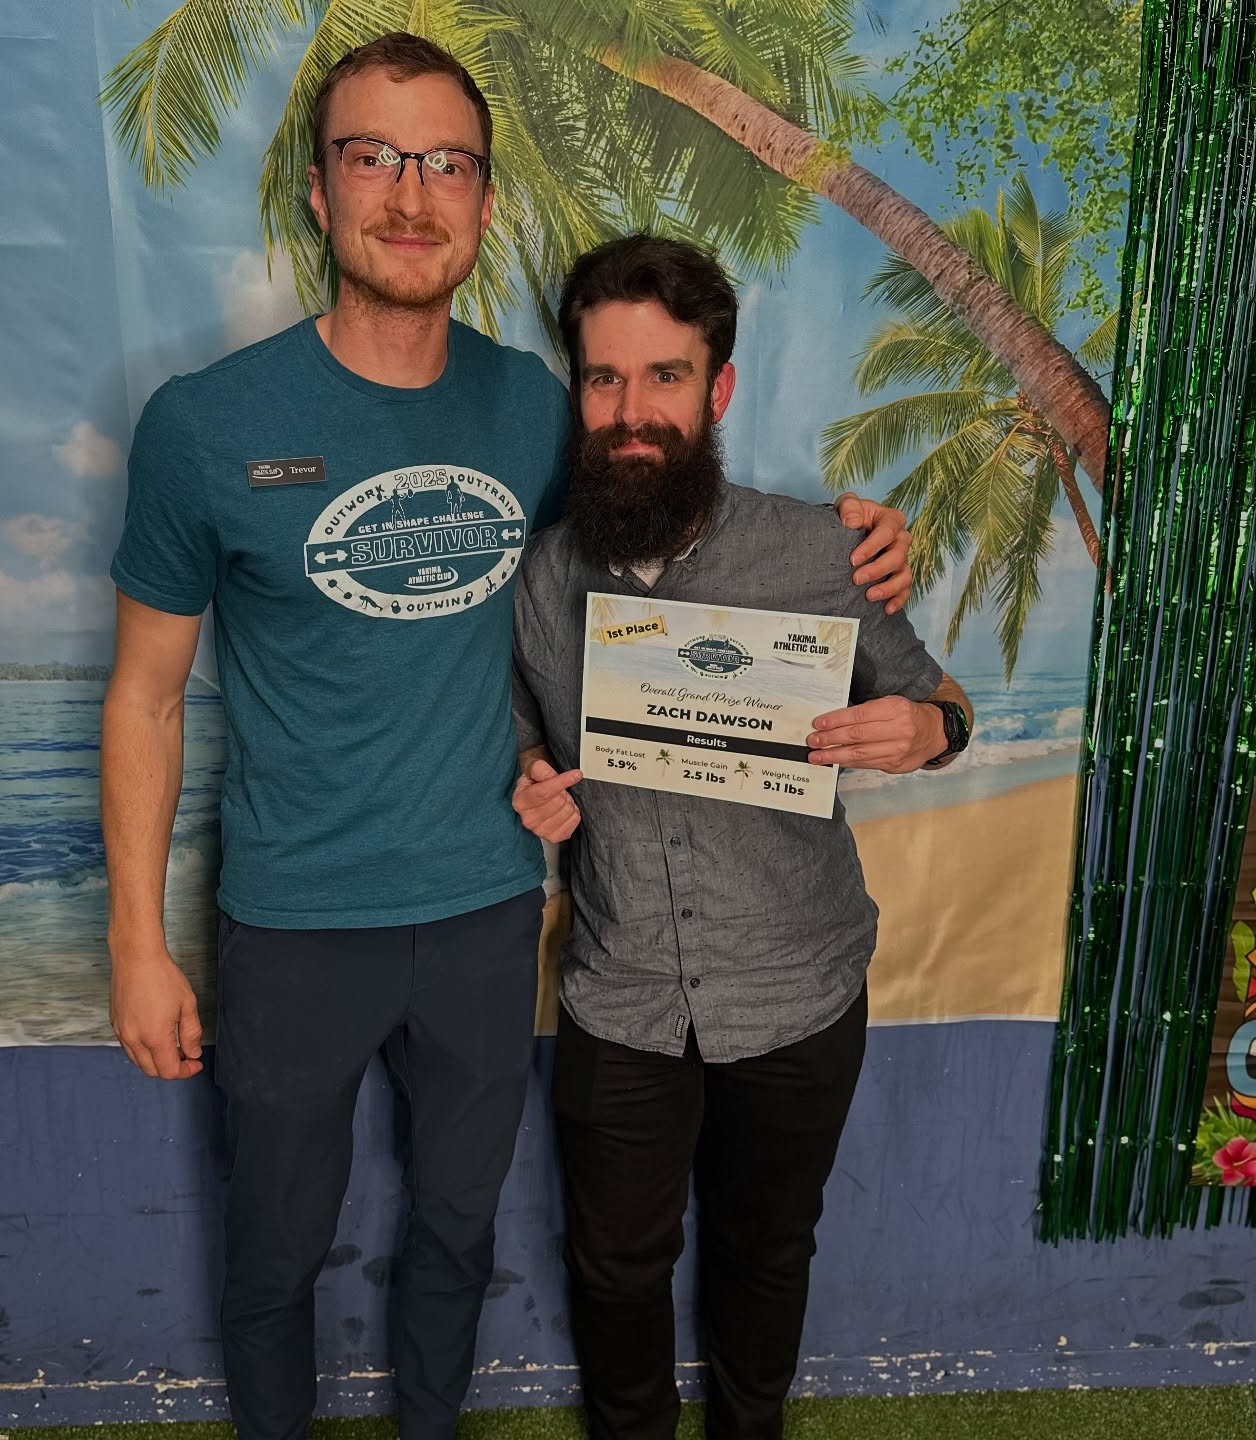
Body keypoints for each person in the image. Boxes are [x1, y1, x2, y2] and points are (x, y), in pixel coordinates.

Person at [100, 33, 916, 1440]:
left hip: (491, 910)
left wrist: (858, 542)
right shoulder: (203, 426)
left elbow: (672, 547)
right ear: (319, 191)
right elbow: (145, 697)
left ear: (485, 201)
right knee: (272, 1255)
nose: (411, 194)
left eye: (448, 164)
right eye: (374, 156)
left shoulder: (539, 412)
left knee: (455, 1235)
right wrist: (134, 940)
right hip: (294, 919)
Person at [510, 233, 974, 1440]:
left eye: (664, 376)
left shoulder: (827, 552)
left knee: (767, 1252)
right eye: (604, 378)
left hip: (799, 988)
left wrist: (928, 730)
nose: (631, 412)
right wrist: (529, 780)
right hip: (621, 993)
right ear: (578, 391)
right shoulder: (542, 579)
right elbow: (520, 732)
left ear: (716, 390)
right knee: (613, 1266)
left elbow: (942, 699)